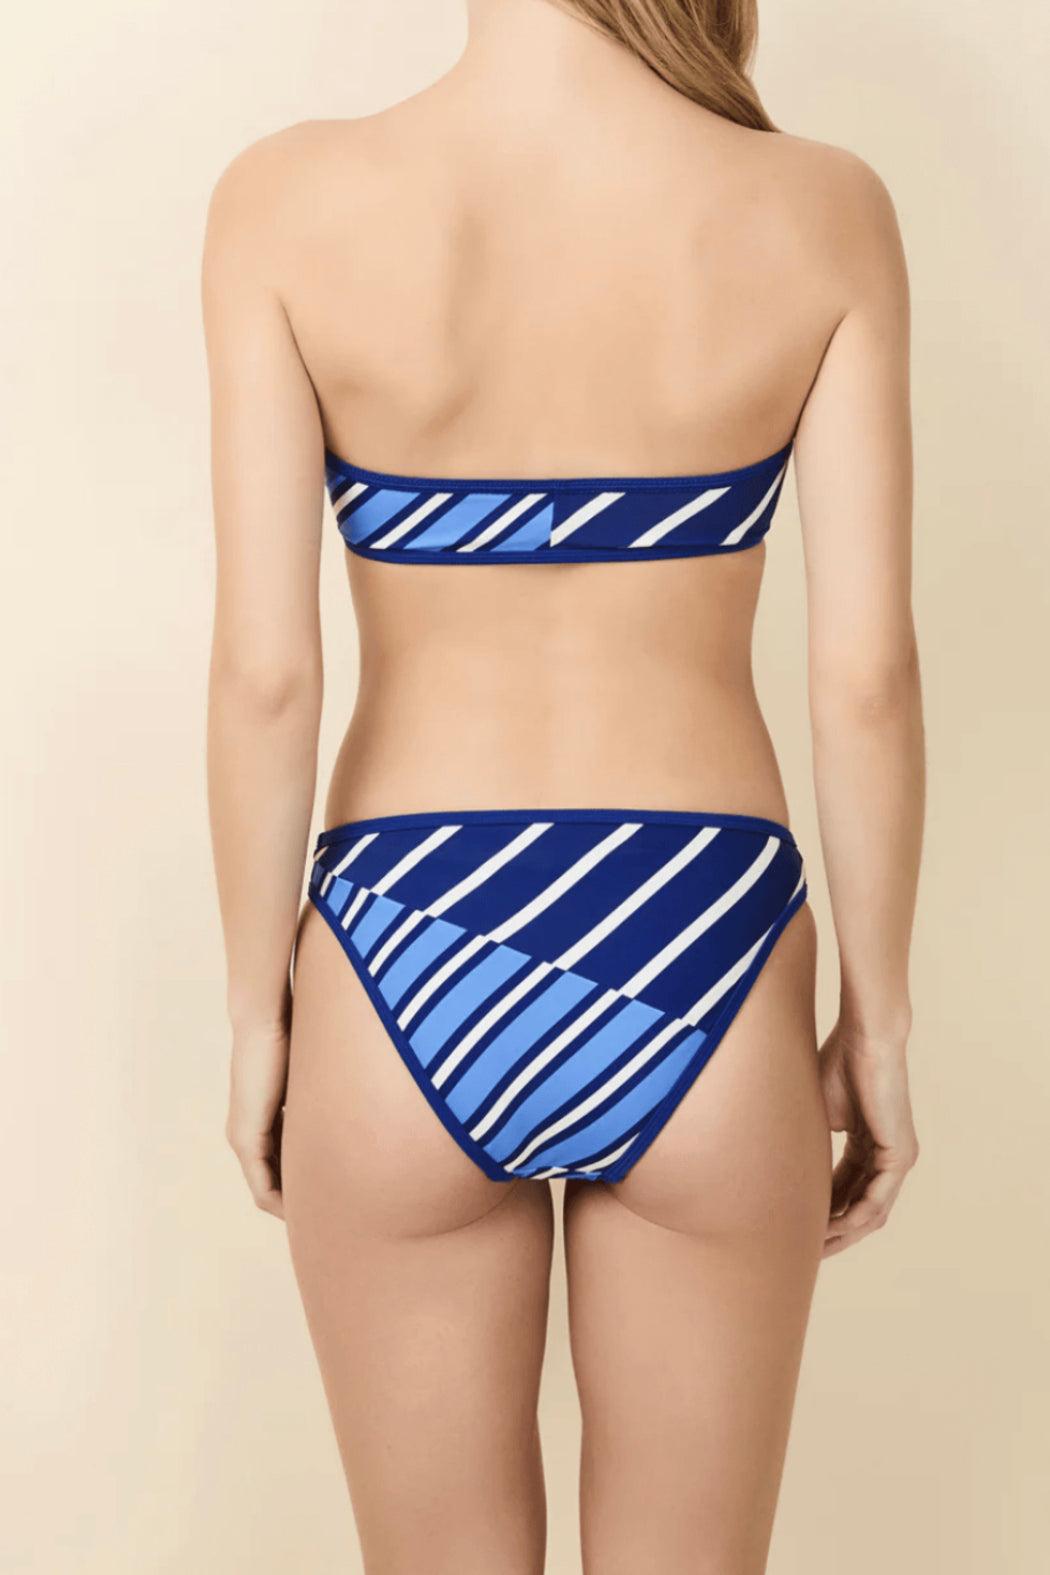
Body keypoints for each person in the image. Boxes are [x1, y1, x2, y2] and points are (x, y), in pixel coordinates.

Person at [202, 1, 923, 1569]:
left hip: (405, 942)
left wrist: (260, 1010)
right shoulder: (819, 208)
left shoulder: (287, 200)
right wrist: (874, 1021)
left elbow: (266, 675)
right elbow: (863, 678)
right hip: (700, 946)